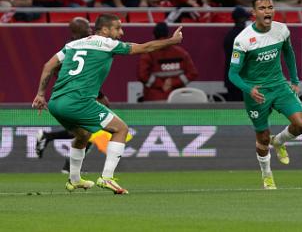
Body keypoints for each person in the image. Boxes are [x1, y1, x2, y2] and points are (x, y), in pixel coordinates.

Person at [32, 13, 183, 194]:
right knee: (121, 129)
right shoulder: (107, 44)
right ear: (105, 30)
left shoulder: (72, 45)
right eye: (117, 28)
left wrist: (41, 94)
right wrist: (172, 41)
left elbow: (48, 65)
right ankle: (107, 178)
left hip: (56, 102)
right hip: (78, 101)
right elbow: (146, 47)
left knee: (83, 135)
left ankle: (74, 180)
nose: (121, 32)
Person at [228, 0, 302, 189]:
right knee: (262, 138)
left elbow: (288, 53)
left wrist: (295, 79)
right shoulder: (243, 40)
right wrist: (249, 89)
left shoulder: (282, 30)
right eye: (263, 8)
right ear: (253, 13)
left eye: (270, 8)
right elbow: (233, 74)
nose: (268, 12)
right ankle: (267, 175)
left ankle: (279, 141)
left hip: (279, 86)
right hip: (257, 92)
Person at [35, 17, 110, 172]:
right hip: (75, 94)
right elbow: (53, 68)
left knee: (86, 130)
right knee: (91, 128)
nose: (90, 31)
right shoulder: (71, 47)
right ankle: (68, 165)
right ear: (76, 32)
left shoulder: (80, 44)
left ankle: (51, 142)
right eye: (86, 29)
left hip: (82, 92)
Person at [137, 23, 198, 102]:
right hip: (178, 100)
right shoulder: (181, 53)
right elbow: (192, 73)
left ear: (153, 36)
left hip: (154, 101)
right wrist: (174, 82)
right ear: (169, 35)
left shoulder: (148, 54)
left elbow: (142, 75)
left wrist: (161, 84)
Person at [223, 6, 251, 101]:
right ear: (241, 19)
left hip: (232, 79)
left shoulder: (229, 35)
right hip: (243, 79)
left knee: (234, 111)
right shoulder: (245, 36)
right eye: (247, 18)